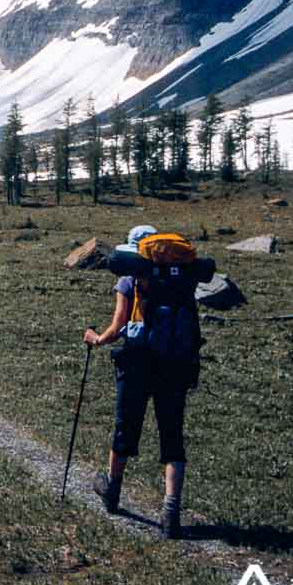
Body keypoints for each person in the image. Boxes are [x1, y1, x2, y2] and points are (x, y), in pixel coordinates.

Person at [83, 224, 196, 539]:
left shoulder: (128, 279)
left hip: (137, 361)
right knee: (172, 435)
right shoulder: (180, 279)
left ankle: (112, 491)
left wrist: (96, 339)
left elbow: (118, 325)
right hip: (174, 364)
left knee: (126, 426)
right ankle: (171, 511)